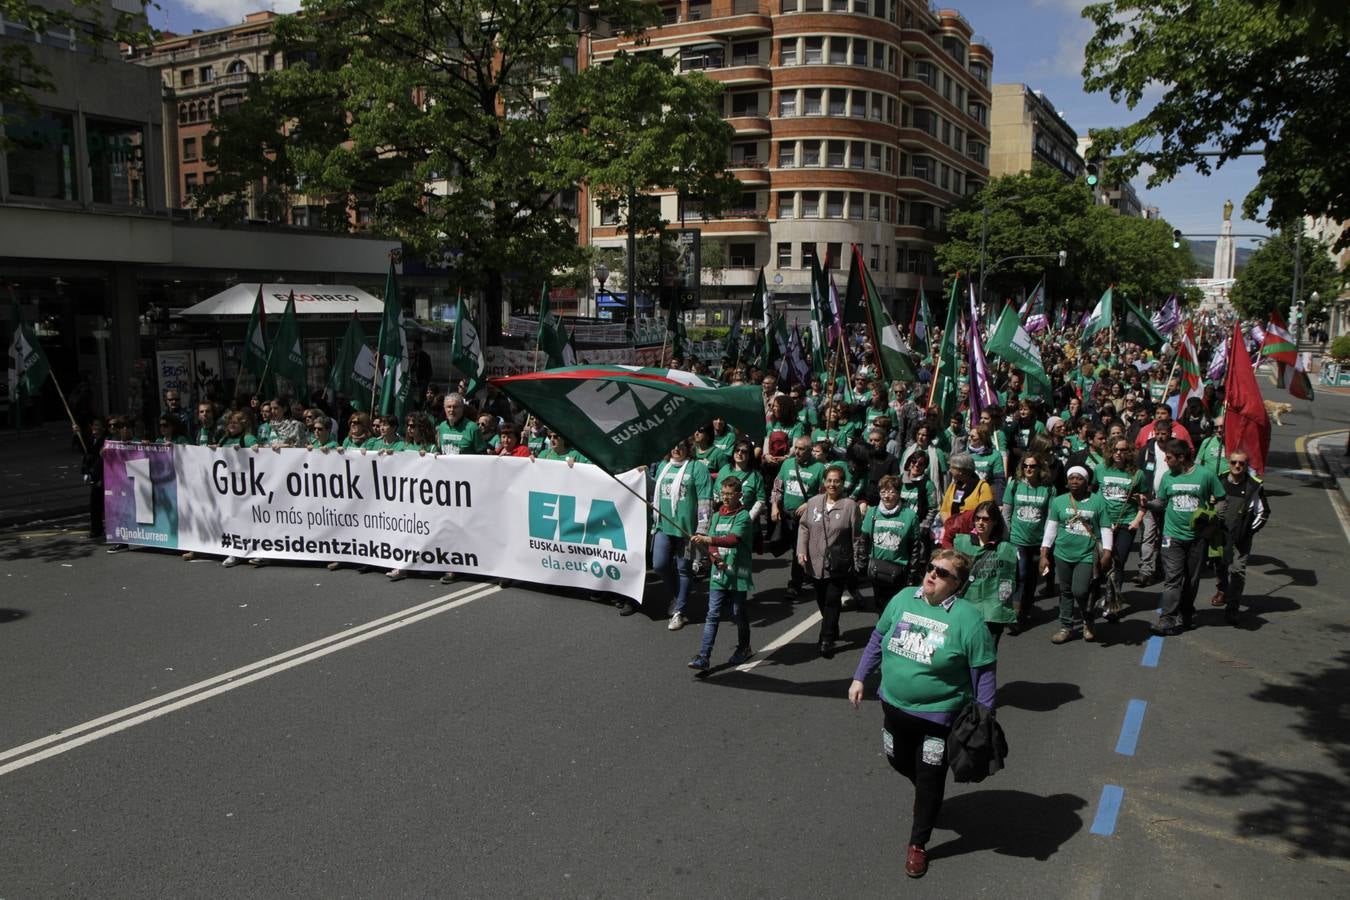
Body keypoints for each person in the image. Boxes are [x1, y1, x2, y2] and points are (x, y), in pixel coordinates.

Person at [847, 548, 995, 879]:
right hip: (893, 707)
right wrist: (859, 677)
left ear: (958, 584)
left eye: (943, 573)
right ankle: (926, 796)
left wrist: (984, 718)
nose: (932, 575)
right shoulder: (902, 599)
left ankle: (918, 843)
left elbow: (984, 672)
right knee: (897, 759)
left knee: (929, 777)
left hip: (937, 718)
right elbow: (877, 639)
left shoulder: (967, 619)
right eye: (931, 568)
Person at [1150, 439, 1227, 636]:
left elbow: (1221, 500)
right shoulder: (1167, 477)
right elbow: (1161, 502)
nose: (1165, 461)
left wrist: (1212, 523)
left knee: (1191, 581)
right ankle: (1167, 619)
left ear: (1181, 457)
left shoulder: (1206, 475)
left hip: (1197, 538)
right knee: (1173, 579)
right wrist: (1148, 504)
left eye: (1168, 457)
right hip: (1172, 536)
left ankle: (1186, 613)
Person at [797, 464, 865, 657]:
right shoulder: (814, 502)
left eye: (837, 481)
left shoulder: (850, 506)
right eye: (829, 480)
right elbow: (804, 528)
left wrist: (857, 561)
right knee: (821, 599)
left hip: (838, 564)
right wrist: (801, 550)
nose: (832, 484)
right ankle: (832, 627)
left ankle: (826, 639)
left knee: (832, 601)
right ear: (824, 482)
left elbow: (857, 536)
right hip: (814, 563)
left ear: (843, 484)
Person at [687, 477, 755, 669]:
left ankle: (744, 647)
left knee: (737, 612)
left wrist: (707, 539)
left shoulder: (743, 516)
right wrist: (716, 559)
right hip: (719, 573)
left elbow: (732, 540)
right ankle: (704, 655)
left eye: (730, 494)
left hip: (739, 571)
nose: (725, 497)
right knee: (713, 613)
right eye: (723, 493)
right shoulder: (716, 516)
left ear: (739, 495)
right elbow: (713, 547)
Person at [1041, 466, 1113, 644]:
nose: (1074, 481)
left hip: (1087, 555)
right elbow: (1051, 529)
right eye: (1071, 478)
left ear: (1086, 482)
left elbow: (1105, 527)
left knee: (1079, 590)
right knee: (1065, 591)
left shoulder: (1098, 502)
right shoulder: (1058, 501)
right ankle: (1066, 626)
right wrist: (1044, 553)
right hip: (1062, 553)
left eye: (1079, 478)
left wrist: (1107, 553)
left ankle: (1088, 619)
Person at [652, 441, 713, 631]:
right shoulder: (663, 466)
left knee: (684, 569)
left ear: (689, 448)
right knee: (659, 564)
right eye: (673, 445)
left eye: (681, 445)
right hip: (663, 526)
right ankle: (679, 596)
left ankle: (680, 611)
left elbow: (705, 499)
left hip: (687, 531)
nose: (676, 448)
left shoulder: (697, 468)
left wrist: (702, 529)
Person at [1210, 448, 1269, 626]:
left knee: (1237, 570)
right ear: (1229, 463)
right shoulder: (1219, 480)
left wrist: (1248, 531)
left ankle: (1233, 607)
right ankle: (1222, 590)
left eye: (1241, 463)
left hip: (1241, 538)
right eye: (1234, 462)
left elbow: (1263, 512)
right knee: (1220, 564)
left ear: (1246, 465)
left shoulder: (1254, 485)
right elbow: (1207, 501)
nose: (1237, 466)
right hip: (1220, 535)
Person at [1002, 451, 1055, 633]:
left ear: (1040, 468)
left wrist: (1046, 544)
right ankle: (1014, 614)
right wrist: (1006, 538)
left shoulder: (1048, 489)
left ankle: (1025, 609)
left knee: (1033, 577)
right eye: (1025, 466)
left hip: (1038, 541)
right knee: (1021, 575)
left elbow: (1050, 518)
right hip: (1017, 539)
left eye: (1032, 466)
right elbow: (1007, 514)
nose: (1028, 469)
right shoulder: (1014, 485)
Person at [954, 501, 1018, 646]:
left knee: (987, 656)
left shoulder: (1005, 549)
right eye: (978, 518)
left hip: (993, 613)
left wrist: (1004, 605)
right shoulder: (962, 543)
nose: (980, 522)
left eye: (986, 519)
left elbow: (1011, 580)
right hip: (966, 610)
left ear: (994, 522)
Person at [1095, 438, 1145, 620]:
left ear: (1129, 452)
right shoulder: (1100, 469)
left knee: (1118, 561)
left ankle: (1112, 604)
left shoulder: (1137, 474)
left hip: (1126, 522)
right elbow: (1092, 494)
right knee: (1102, 563)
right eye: (1115, 449)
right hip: (1104, 523)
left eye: (1123, 450)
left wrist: (1138, 519)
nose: (1118, 453)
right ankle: (1102, 595)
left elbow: (1143, 501)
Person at [770, 436, 826, 597]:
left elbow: (825, 493)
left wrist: (809, 503)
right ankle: (805, 573)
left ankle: (795, 584)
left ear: (810, 451)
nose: (797, 451)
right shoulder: (787, 464)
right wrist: (774, 506)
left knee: (798, 549)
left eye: (802, 449)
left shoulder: (819, 468)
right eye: (796, 448)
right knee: (779, 544)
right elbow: (777, 487)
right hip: (787, 515)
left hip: (807, 517)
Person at [861, 474, 921, 608]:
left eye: (891, 492)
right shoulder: (872, 512)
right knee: (880, 605)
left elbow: (915, 548)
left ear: (899, 493)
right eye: (883, 492)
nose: (887, 496)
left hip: (899, 571)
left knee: (896, 606)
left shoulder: (910, 515)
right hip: (877, 570)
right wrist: (862, 564)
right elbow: (864, 541)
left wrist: (912, 574)